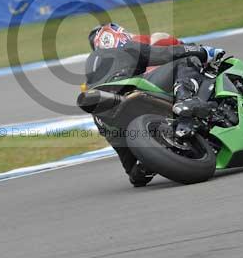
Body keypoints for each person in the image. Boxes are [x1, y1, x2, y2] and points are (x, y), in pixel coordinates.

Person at [85, 23, 224, 186]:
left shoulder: (97, 95)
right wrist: (202, 51)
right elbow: (164, 53)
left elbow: (124, 157)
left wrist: (139, 169)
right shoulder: (125, 48)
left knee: (131, 164)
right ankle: (185, 99)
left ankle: (146, 165)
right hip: (135, 89)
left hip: (112, 110)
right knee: (183, 60)